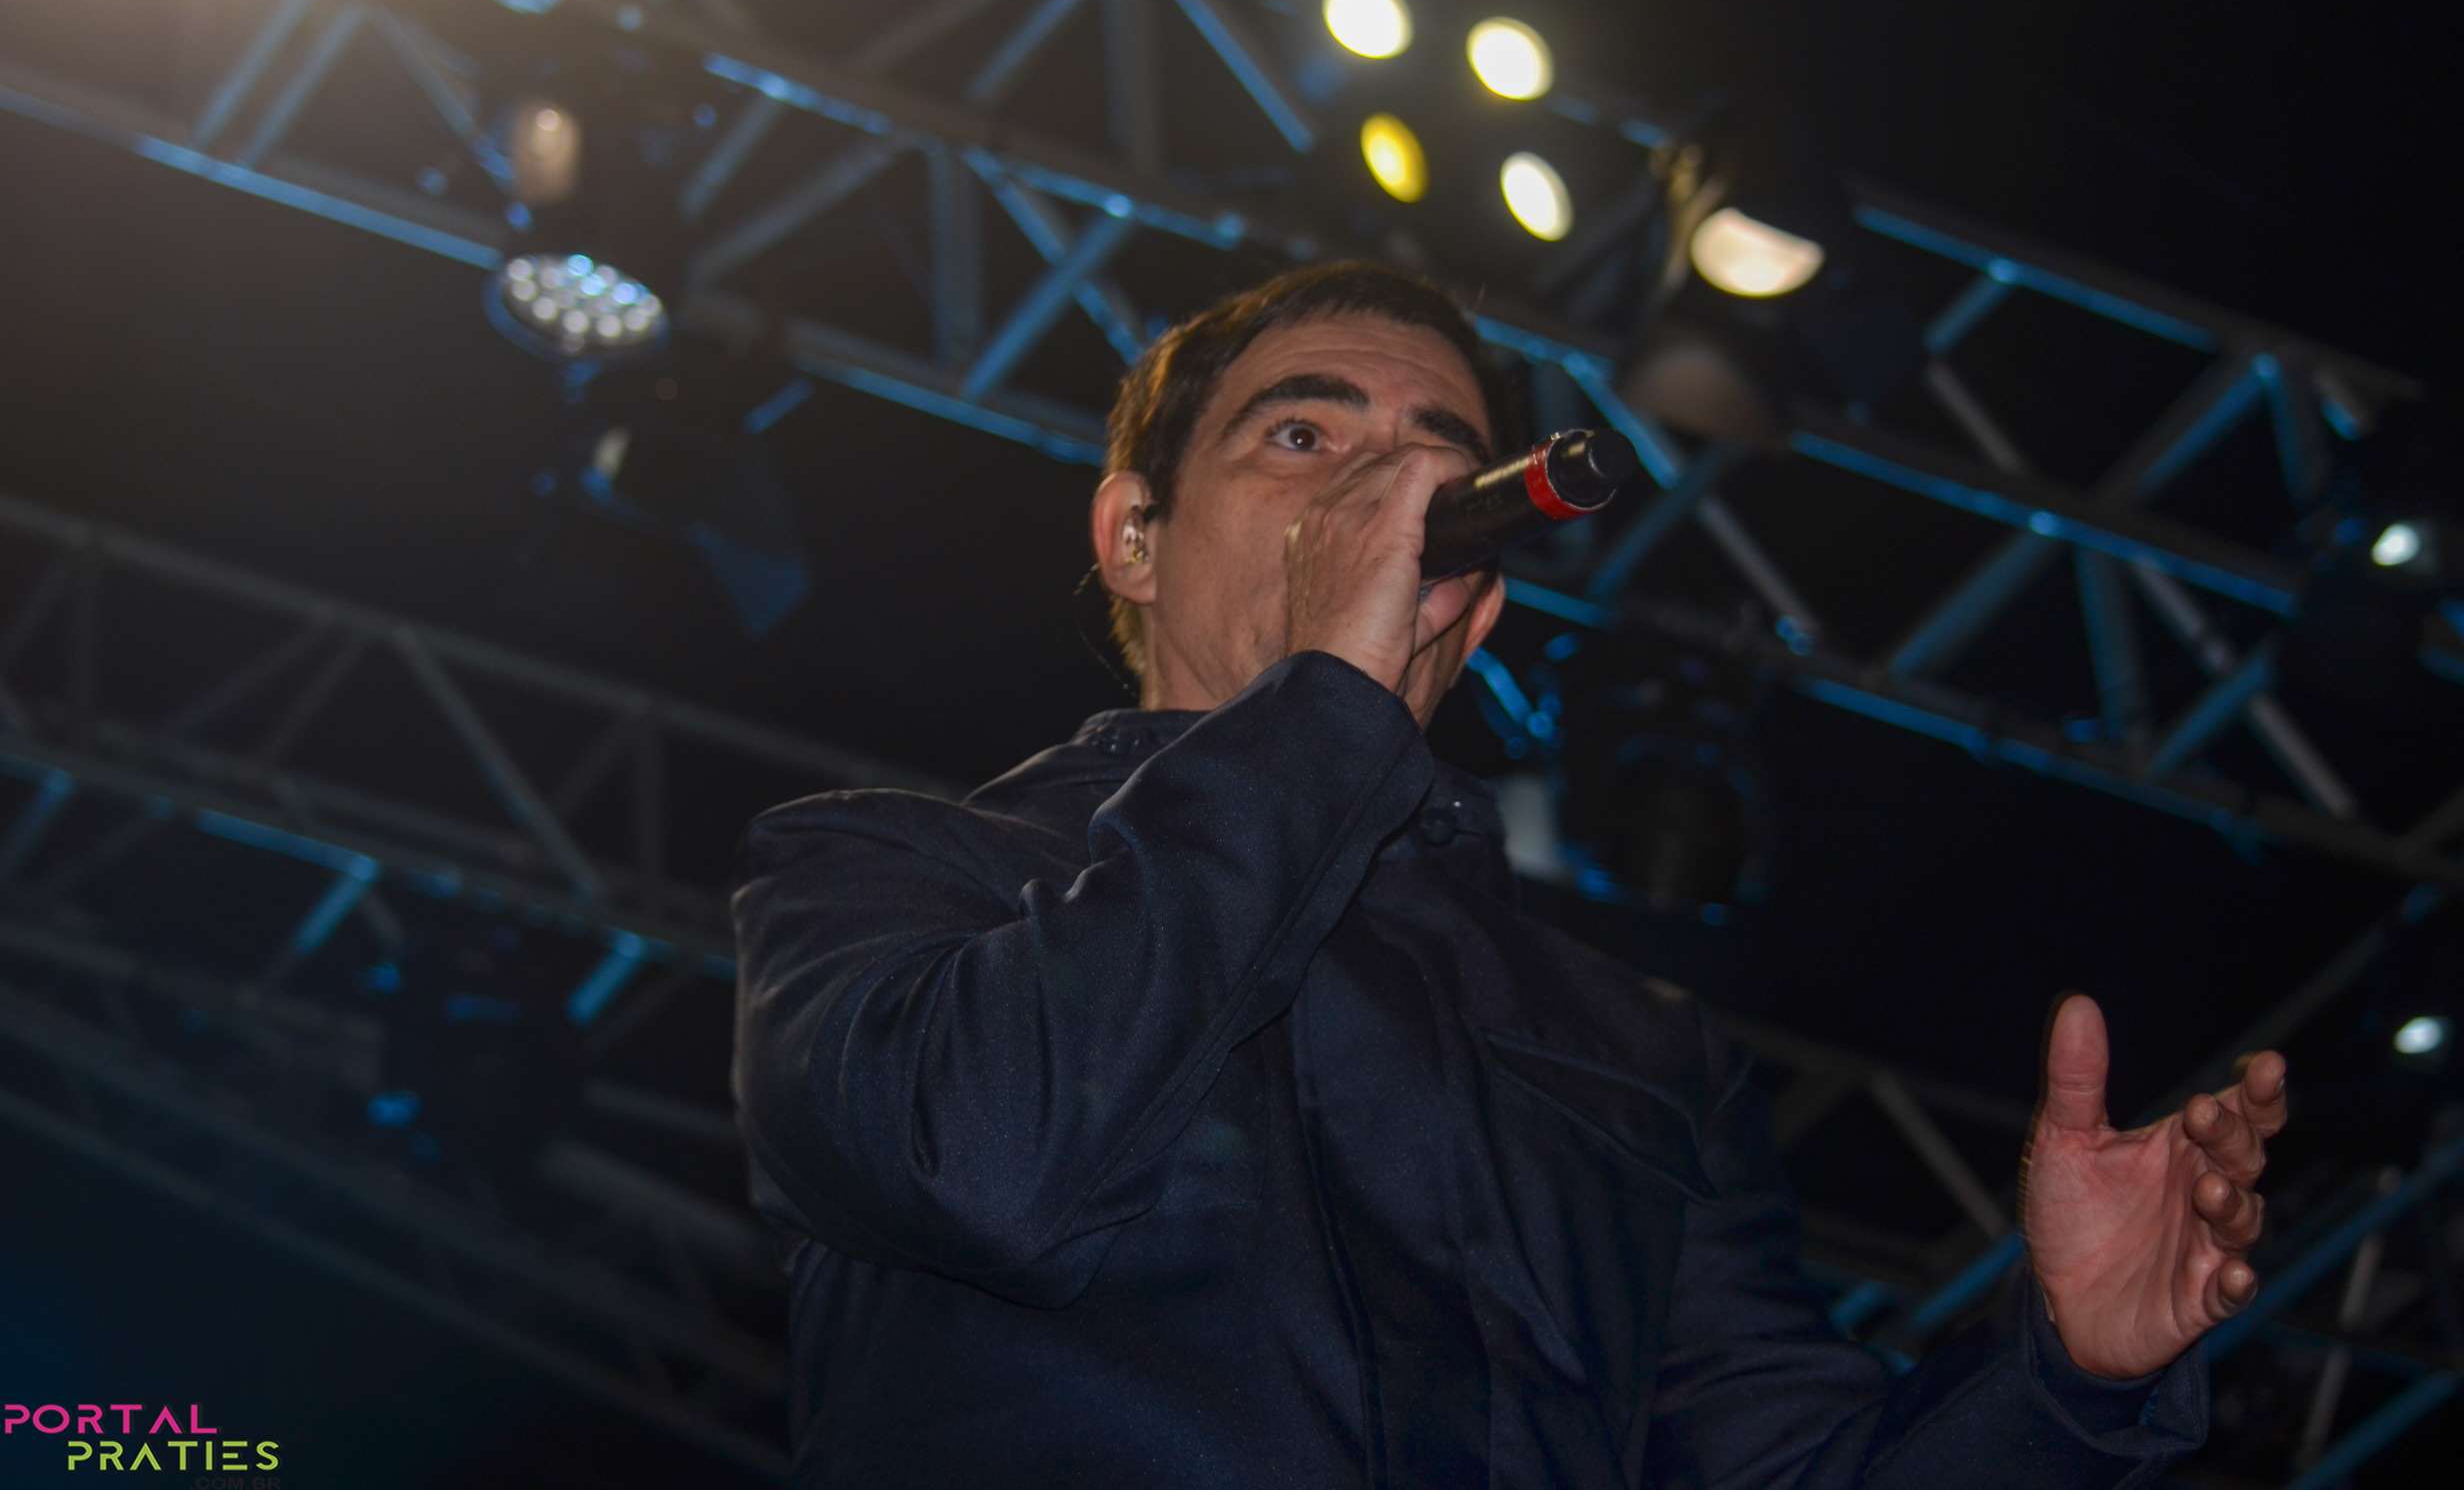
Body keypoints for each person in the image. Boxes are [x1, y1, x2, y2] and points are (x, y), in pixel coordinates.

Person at [730, 261, 2288, 1487]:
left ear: (1473, 607)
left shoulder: (1636, 1050)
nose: (1382, 495)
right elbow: (977, 1164)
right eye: (1302, 437)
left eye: (1435, 461)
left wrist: (2070, 1383)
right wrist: (1325, 702)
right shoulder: (886, 875)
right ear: (1134, 535)